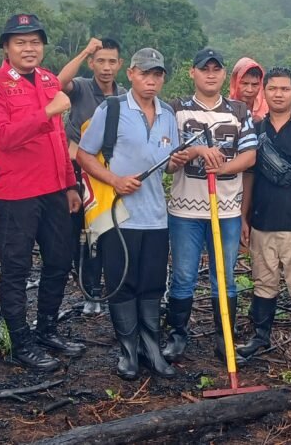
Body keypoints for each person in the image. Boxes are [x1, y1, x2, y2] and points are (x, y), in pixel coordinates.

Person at [0, 14, 84, 371]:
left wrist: (70, 184)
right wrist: (46, 111)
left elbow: (58, 140)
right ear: (6, 48)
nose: (29, 48)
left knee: (58, 260)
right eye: (20, 42)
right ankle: (20, 342)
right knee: (16, 267)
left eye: (35, 42)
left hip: (55, 190)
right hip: (17, 193)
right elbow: (4, 137)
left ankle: (47, 328)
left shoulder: (49, 79)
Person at [78, 48, 179, 380]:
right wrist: (115, 180)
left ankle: (151, 347)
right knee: (122, 282)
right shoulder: (113, 109)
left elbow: (167, 163)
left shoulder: (167, 115)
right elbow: (84, 155)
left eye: (157, 75)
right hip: (118, 216)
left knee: (151, 284)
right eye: (145, 74)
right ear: (131, 74)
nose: (151, 81)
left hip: (155, 216)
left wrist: (179, 160)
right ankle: (127, 351)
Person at [163, 48, 257, 364]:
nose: (211, 74)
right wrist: (194, 152)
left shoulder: (239, 111)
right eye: (205, 69)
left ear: (223, 73)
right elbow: (169, 160)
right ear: (193, 72)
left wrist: (224, 168)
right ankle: (177, 336)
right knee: (184, 274)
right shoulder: (175, 110)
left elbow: (249, 156)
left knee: (224, 276)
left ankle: (224, 339)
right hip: (185, 211)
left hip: (227, 209)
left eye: (217, 69)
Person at [238, 68, 291, 361]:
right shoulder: (257, 129)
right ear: (265, 92)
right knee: (263, 282)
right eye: (273, 88)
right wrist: (244, 216)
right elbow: (249, 176)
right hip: (262, 222)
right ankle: (260, 337)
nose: (278, 94)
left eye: (284, 89)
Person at [59, 36, 126, 315]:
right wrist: (85, 47)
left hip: (109, 177)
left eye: (112, 61)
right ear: (91, 63)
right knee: (82, 236)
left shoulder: (123, 96)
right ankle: (90, 291)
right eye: (100, 61)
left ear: (120, 65)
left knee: (109, 232)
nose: (106, 67)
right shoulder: (82, 88)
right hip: (77, 174)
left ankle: (111, 290)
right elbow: (58, 83)